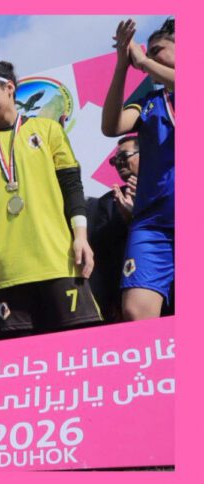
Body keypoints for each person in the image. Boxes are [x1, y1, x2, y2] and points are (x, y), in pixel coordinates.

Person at [0, 61, 102, 339]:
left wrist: (81, 237)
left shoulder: (48, 130)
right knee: (22, 357)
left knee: (77, 347)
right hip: (6, 270)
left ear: (9, 88)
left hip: (58, 260)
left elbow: (72, 188)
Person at [101, 18, 175, 321]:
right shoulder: (149, 102)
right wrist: (122, 65)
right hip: (153, 222)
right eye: (148, 51)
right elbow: (111, 126)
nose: (150, 56)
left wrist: (143, 61)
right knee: (135, 310)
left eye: (159, 50)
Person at [87, 135, 140, 323]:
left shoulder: (168, 192)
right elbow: (100, 247)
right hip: (120, 294)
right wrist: (125, 220)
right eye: (114, 160)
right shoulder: (107, 202)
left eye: (124, 156)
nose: (119, 163)